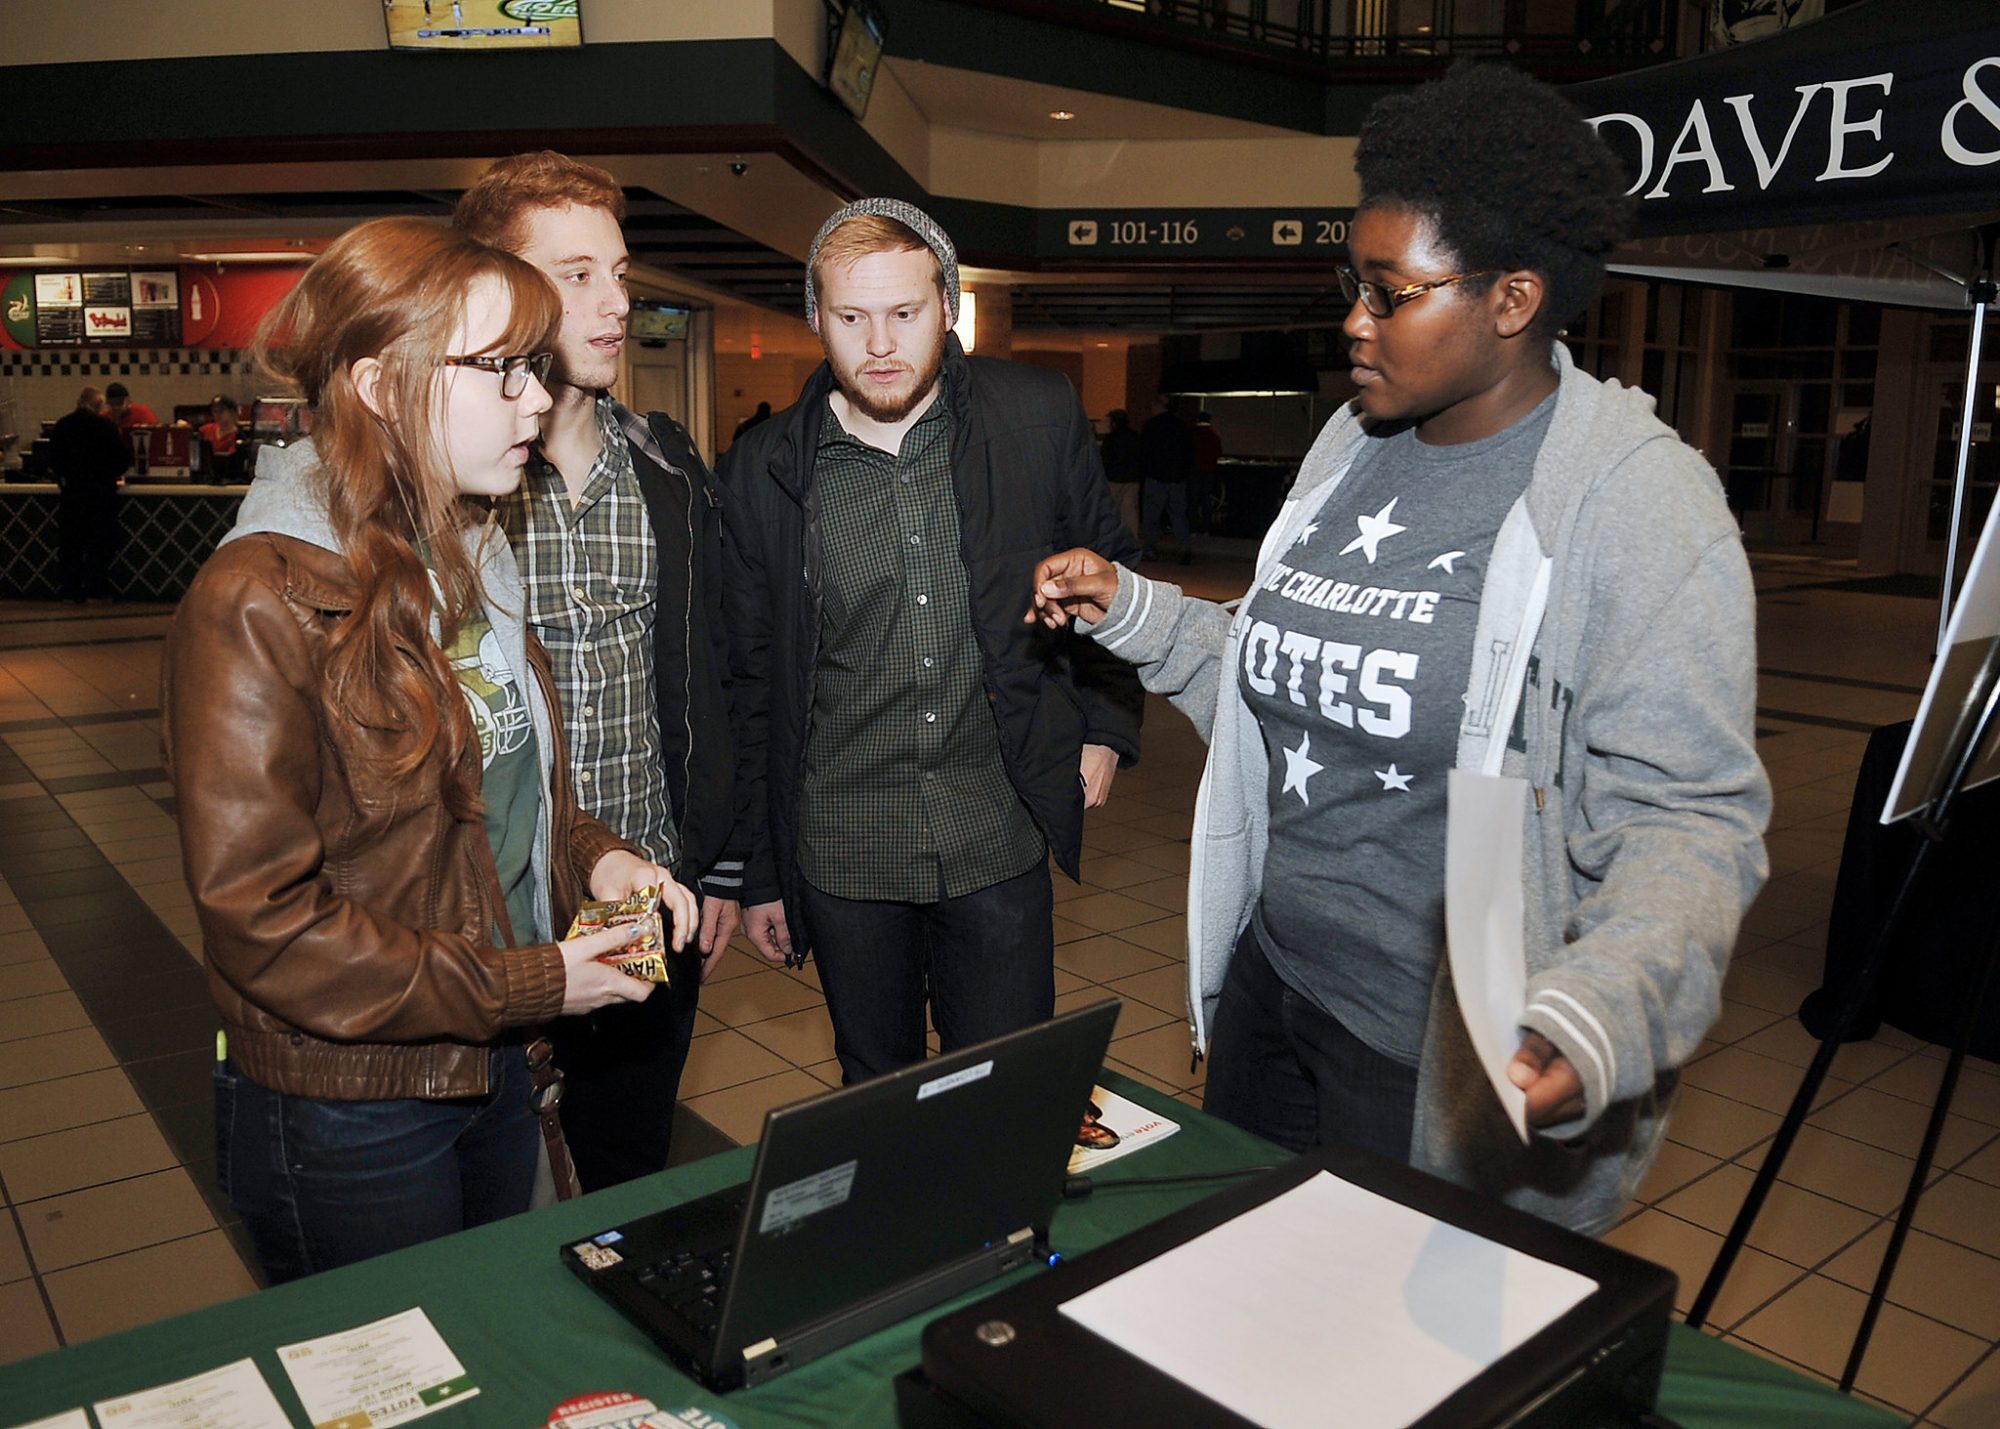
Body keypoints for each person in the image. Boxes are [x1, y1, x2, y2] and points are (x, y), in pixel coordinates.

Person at [1026, 63, 1770, 1236]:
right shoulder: (1351, 447)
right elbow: (1294, 687)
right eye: (1350, 285)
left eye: (1386, 293)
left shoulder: (1635, 500)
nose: (1352, 322)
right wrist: (1139, 613)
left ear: (1511, 300)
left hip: (1436, 1046)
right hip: (1274, 982)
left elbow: (1690, 820)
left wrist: (1602, 1003)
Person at [161, 216, 699, 1282]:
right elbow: (261, 920)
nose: (538, 401)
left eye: (535, 371)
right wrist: (534, 982)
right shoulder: (259, 598)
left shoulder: (468, 549)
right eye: (500, 372)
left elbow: (491, 785)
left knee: (501, 1343)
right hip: (350, 1105)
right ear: (377, 381)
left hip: (490, 1056)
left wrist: (595, 854)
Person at [722, 198, 1143, 1084]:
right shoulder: (763, 467)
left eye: (905, 314)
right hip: (843, 846)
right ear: (814, 318)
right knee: (876, 1088)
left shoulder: (1036, 413)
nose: (880, 343)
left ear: (948, 306)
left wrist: (1104, 723)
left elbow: (1112, 571)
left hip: (997, 825)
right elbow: (753, 678)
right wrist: (762, 871)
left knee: (1006, 1086)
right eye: (851, 317)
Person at [455, 151, 742, 1190]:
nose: (616, 304)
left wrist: (715, 864)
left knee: (622, 1163)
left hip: (632, 899)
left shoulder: (665, 469)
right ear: (495, 288)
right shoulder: (456, 487)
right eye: (576, 275)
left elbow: (715, 675)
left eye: (619, 273)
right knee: (492, 1188)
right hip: (494, 921)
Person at [49, 386, 130, 602]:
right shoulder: (105, 427)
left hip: (72, 495)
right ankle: (96, 588)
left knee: (71, 544)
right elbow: (121, 459)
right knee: (100, 544)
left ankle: (70, 590)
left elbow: (52, 460)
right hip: (101, 495)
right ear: (97, 405)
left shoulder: (62, 425)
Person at [1139, 395, 1193, 563]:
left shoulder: (1152, 425)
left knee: (1152, 515)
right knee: (1178, 515)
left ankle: (1150, 548)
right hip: (1177, 479)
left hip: (1156, 477)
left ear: (1158, 407)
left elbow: (1145, 451)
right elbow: (1189, 452)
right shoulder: (1181, 425)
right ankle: (1183, 548)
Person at [1099, 407, 1142, 539]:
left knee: (1111, 511)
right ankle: (1131, 539)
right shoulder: (1135, 436)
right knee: (1130, 511)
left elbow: (1104, 458)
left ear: (1114, 423)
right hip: (1132, 478)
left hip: (1113, 478)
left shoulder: (1111, 439)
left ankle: (1111, 539)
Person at [1189, 408, 1223, 533]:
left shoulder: (1192, 434)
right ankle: (1206, 527)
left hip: (1193, 471)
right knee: (1206, 499)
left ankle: (1193, 526)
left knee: (1193, 500)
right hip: (1209, 470)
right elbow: (1218, 453)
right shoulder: (1213, 435)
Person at [198, 395, 244, 480]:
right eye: (215, 411)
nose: (218, 414)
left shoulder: (239, 436)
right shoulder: (206, 430)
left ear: (232, 412)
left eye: (222, 411)